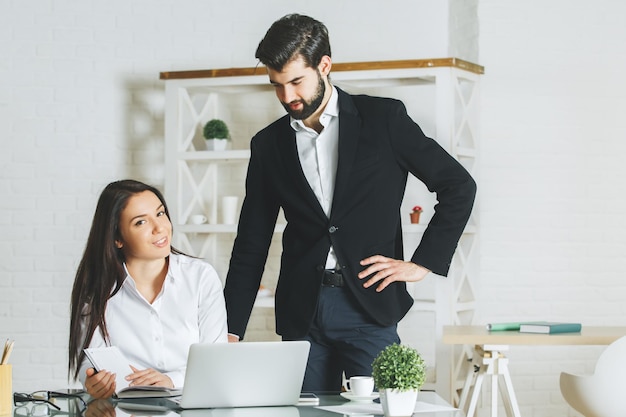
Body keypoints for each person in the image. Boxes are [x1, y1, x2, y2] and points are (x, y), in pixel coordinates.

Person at [223, 14, 477, 392]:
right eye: (276, 85)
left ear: (324, 65)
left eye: (296, 81)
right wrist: (229, 329)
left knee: (383, 409)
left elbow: (458, 185)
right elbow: (251, 241)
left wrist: (422, 263)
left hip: (368, 309)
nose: (287, 97)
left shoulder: (384, 119)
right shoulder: (268, 145)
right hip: (302, 313)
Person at [68, 179, 228, 399]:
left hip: (194, 404)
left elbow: (216, 359)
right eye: (141, 222)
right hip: (124, 409)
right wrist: (92, 381)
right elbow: (90, 359)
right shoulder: (98, 289)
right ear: (117, 238)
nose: (159, 228)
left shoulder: (201, 277)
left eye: (160, 214)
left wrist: (171, 380)